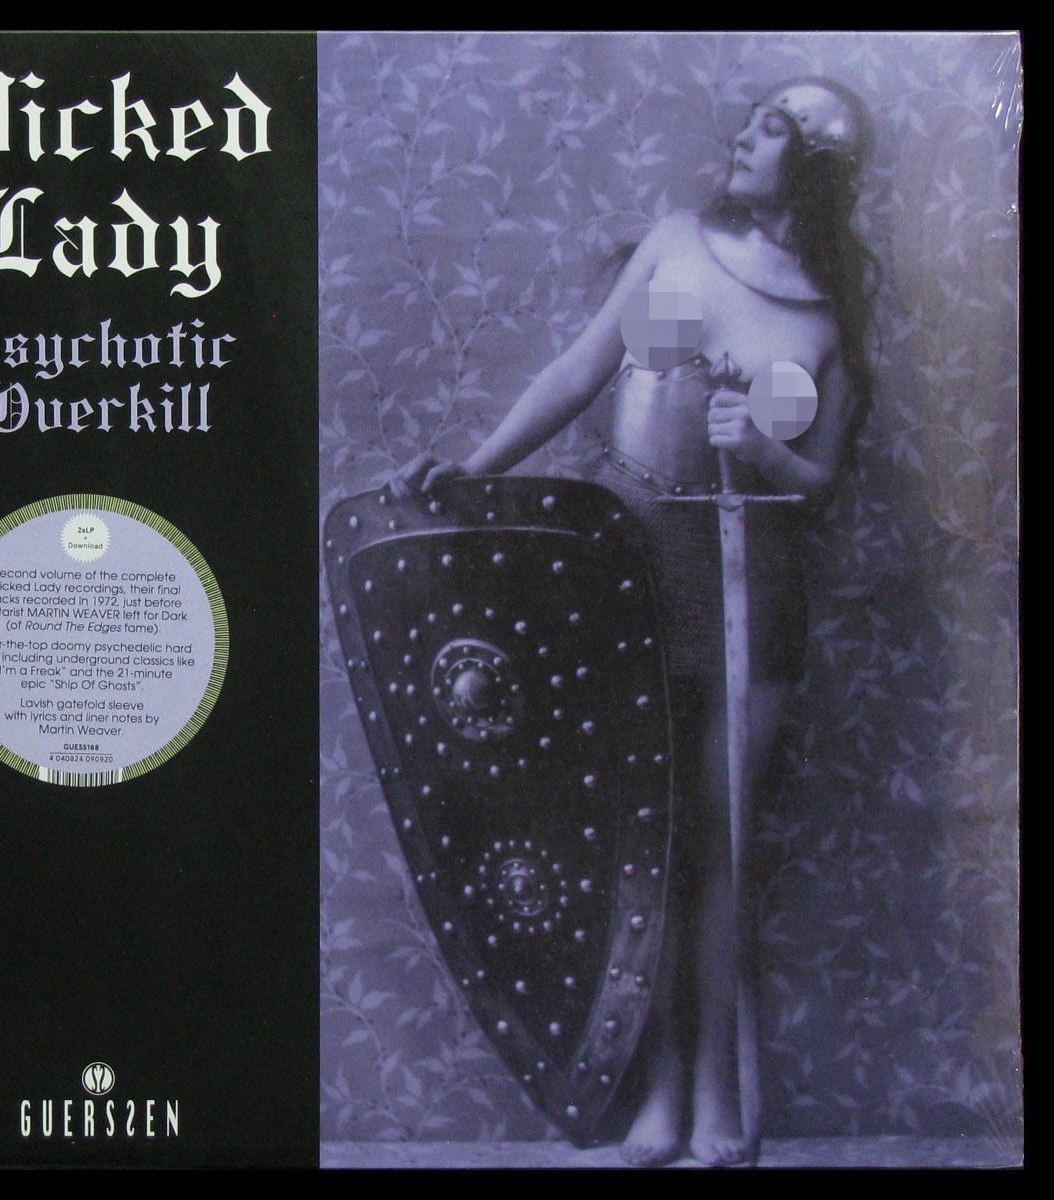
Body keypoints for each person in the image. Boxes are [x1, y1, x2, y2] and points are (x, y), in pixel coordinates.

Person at [396, 77, 879, 1167]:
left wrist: (764, 449)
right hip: (629, 568)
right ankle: (656, 1089)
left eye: (771, 129)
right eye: (750, 120)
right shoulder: (678, 249)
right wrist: (475, 470)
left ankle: (718, 1093)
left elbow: (816, 483)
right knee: (644, 841)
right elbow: (583, 370)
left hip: (752, 588)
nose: (743, 139)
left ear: (813, 165)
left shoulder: (823, 320)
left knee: (721, 850)